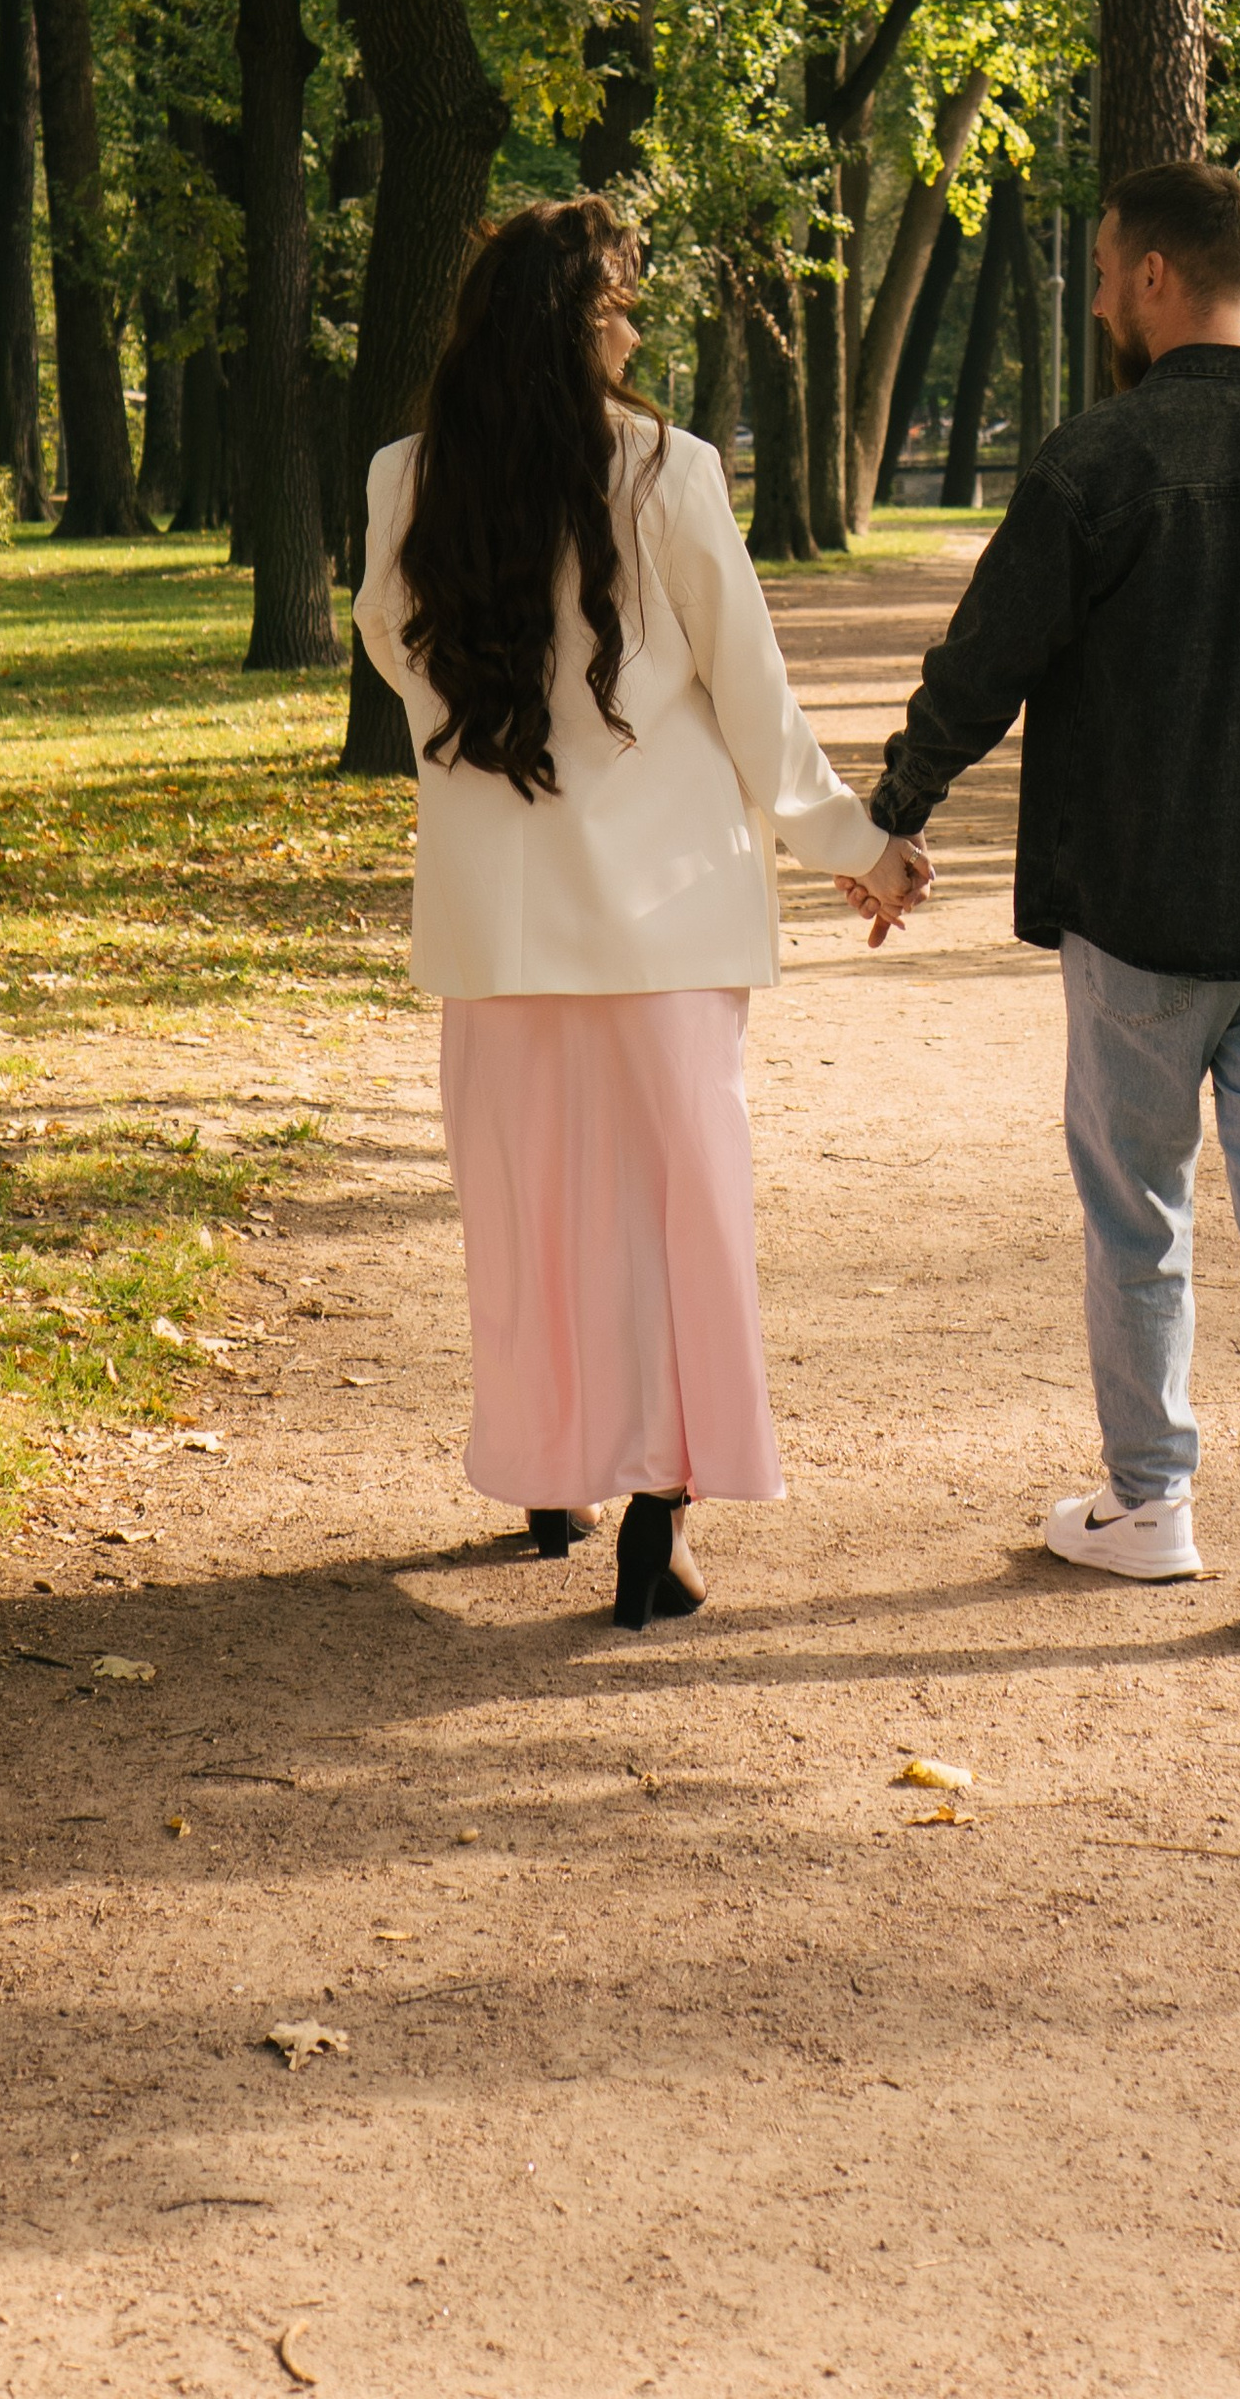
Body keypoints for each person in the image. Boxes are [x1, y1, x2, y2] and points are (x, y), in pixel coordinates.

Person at [856, 158, 1240, 1645]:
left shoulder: (1095, 466)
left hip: (1142, 909)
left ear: (1155, 279)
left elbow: (982, 663)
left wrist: (891, 818)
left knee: (1137, 1209)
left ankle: (1151, 1504)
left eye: (1112, 264)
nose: (1104, 289)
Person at [354, 199, 922, 1633]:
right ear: (569, 323)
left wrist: (468, 742)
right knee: (678, 1215)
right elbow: (749, 686)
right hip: (663, 915)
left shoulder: (407, 477)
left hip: (499, 920)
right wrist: (850, 844)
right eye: (618, 305)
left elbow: (386, 637)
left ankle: (556, 1473)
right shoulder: (663, 471)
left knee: (531, 1210)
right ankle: (658, 1509)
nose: (635, 328)